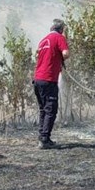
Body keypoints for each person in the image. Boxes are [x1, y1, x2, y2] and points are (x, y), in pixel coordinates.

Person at [33, 18, 69, 149]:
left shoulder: (43, 40)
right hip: (49, 79)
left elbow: (37, 56)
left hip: (37, 79)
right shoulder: (59, 37)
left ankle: (41, 136)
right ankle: (44, 139)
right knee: (51, 110)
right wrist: (61, 56)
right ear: (61, 30)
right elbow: (66, 53)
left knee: (43, 109)